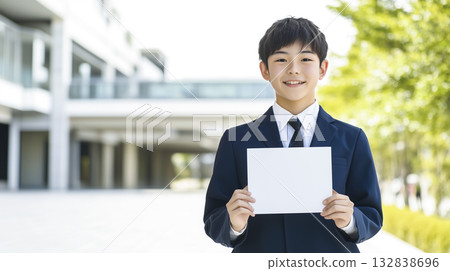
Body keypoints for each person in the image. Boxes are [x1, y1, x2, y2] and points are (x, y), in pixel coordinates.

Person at [203, 17, 382, 253]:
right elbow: (213, 220)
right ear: (265, 70)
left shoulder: (352, 138)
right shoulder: (236, 140)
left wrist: (350, 220)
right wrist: (234, 223)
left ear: (322, 68)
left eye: (305, 59)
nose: (293, 69)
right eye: (281, 59)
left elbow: (372, 215)